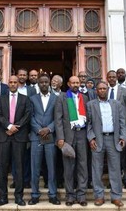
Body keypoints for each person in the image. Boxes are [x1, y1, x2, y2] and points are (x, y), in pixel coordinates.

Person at [87, 81, 126, 207]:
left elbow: (122, 123)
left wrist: (123, 137)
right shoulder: (91, 105)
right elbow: (88, 124)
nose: (102, 91)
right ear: (96, 91)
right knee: (96, 169)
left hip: (113, 140)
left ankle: (116, 196)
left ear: (108, 90)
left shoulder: (116, 104)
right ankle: (99, 196)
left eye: (104, 88)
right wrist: (91, 138)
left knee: (115, 169)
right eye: (100, 89)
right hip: (97, 140)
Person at [0, 75, 31, 206]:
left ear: (18, 84)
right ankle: (3, 197)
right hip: (4, 136)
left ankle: (19, 197)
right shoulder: (0, 99)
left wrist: (15, 127)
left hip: (19, 137)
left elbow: (27, 115)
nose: (13, 84)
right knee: (3, 168)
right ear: (8, 84)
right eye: (11, 82)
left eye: (15, 82)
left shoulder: (25, 99)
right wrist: (9, 126)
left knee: (19, 168)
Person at [54, 76, 88, 207]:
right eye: (73, 82)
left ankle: (81, 195)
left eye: (77, 82)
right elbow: (58, 119)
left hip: (82, 135)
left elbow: (89, 118)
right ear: (68, 84)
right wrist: (60, 138)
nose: (75, 84)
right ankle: (70, 195)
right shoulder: (61, 98)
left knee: (82, 166)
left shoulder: (84, 98)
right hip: (68, 136)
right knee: (68, 167)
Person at [28, 73, 61, 205]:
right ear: (38, 84)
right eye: (41, 82)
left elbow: (58, 117)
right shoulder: (32, 98)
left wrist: (49, 128)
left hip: (50, 137)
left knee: (51, 168)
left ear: (49, 83)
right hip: (36, 137)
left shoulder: (56, 98)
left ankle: (53, 194)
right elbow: (30, 116)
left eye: (46, 82)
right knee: (35, 168)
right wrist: (38, 129)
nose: (44, 84)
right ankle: (35, 194)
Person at [107, 70, 126, 189]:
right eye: (110, 77)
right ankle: (114, 180)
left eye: (114, 77)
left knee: (125, 154)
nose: (112, 79)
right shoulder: (104, 91)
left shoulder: (125, 91)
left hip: (124, 127)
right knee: (113, 156)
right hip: (110, 129)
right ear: (107, 78)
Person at [9, 68, 36, 189]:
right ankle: (16, 179)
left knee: (27, 156)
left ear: (27, 77)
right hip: (13, 128)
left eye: (24, 75)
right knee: (15, 156)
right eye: (20, 74)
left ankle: (26, 180)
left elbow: (33, 107)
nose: (22, 77)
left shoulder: (32, 90)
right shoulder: (10, 89)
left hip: (28, 127)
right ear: (16, 76)